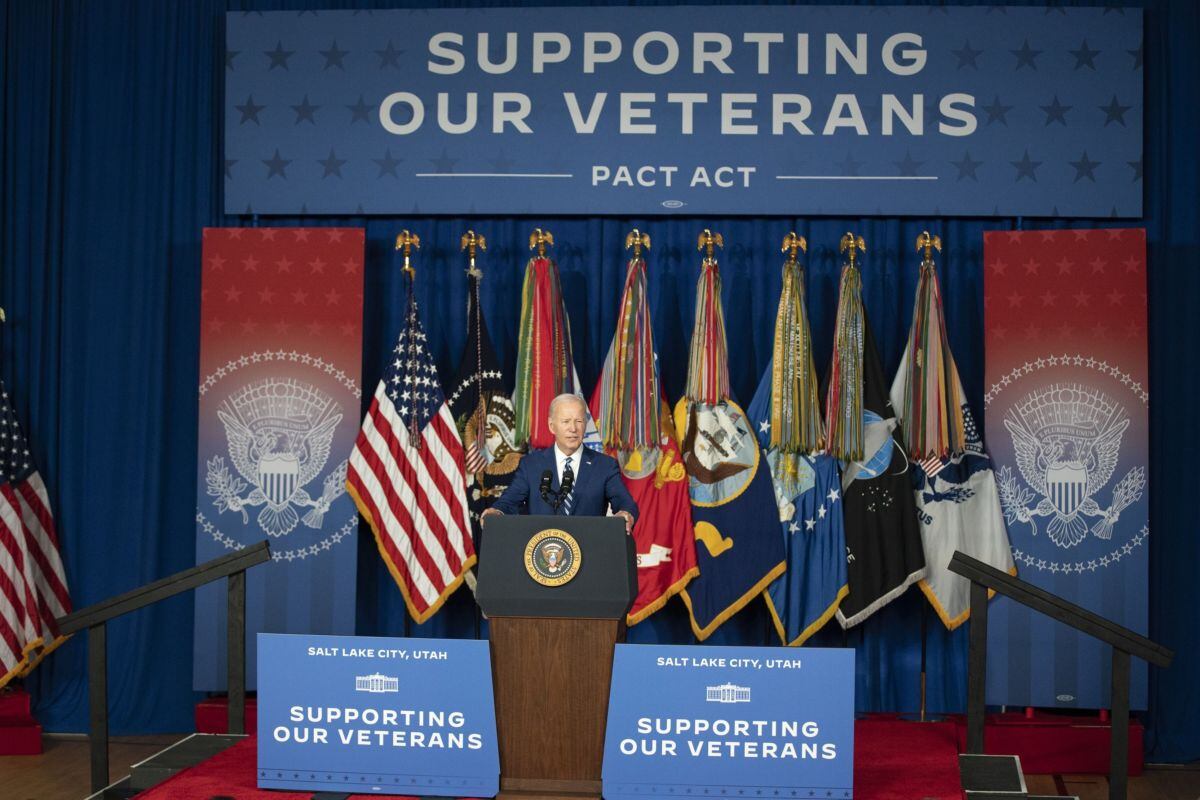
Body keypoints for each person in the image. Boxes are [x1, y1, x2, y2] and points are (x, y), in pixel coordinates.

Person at [482, 393, 637, 532]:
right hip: (542, 553)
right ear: (552, 426)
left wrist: (625, 514)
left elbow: (625, 503)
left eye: (579, 421)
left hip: (589, 552)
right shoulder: (531, 465)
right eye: (566, 421)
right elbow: (509, 502)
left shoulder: (604, 466)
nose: (573, 428)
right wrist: (495, 511)